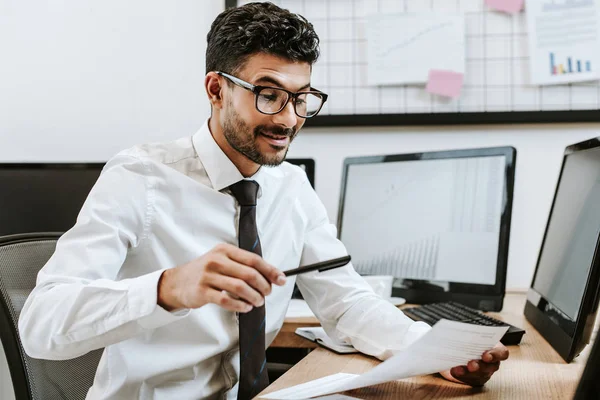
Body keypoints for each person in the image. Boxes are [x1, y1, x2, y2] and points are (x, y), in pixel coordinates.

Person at [18, 2, 509, 399]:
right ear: (216, 89)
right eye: (269, 94)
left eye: (301, 98)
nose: (288, 119)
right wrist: (168, 288)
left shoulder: (291, 187)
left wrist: (435, 352)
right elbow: (41, 325)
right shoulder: (139, 178)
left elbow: (346, 301)